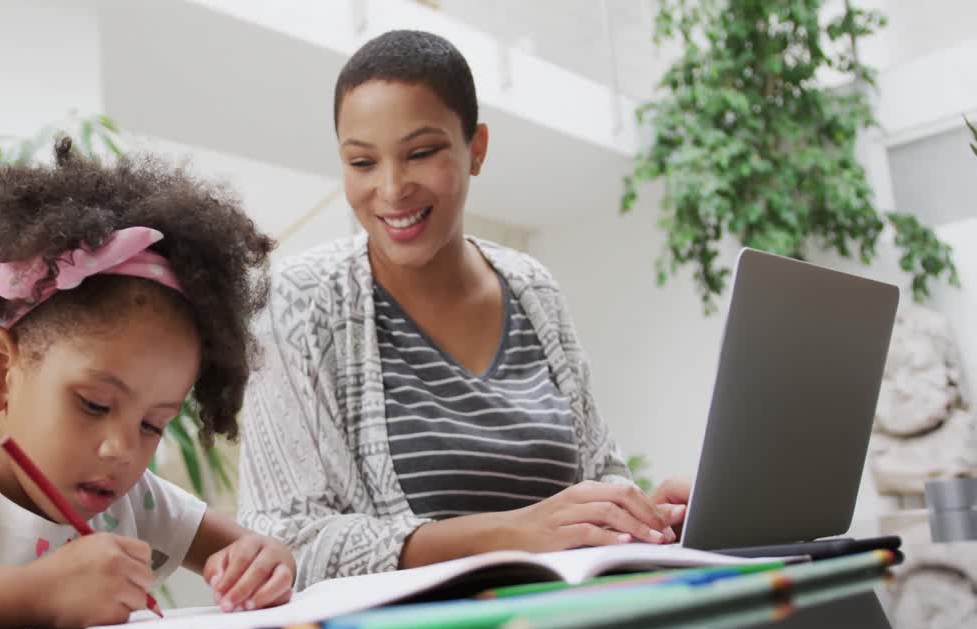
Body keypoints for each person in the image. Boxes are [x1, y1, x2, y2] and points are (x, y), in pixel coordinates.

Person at [238, 30, 690, 592]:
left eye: (421, 153)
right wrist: (509, 533)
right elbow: (281, 542)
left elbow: (595, 483)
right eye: (361, 161)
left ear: (476, 148)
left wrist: (646, 518)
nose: (391, 187)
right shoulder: (299, 302)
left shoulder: (534, 290)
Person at [0, 138, 295, 629]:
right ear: (0, 371)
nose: (122, 449)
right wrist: (34, 594)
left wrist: (265, 564)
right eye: (94, 404)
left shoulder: (136, 507)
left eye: (154, 423)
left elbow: (251, 551)